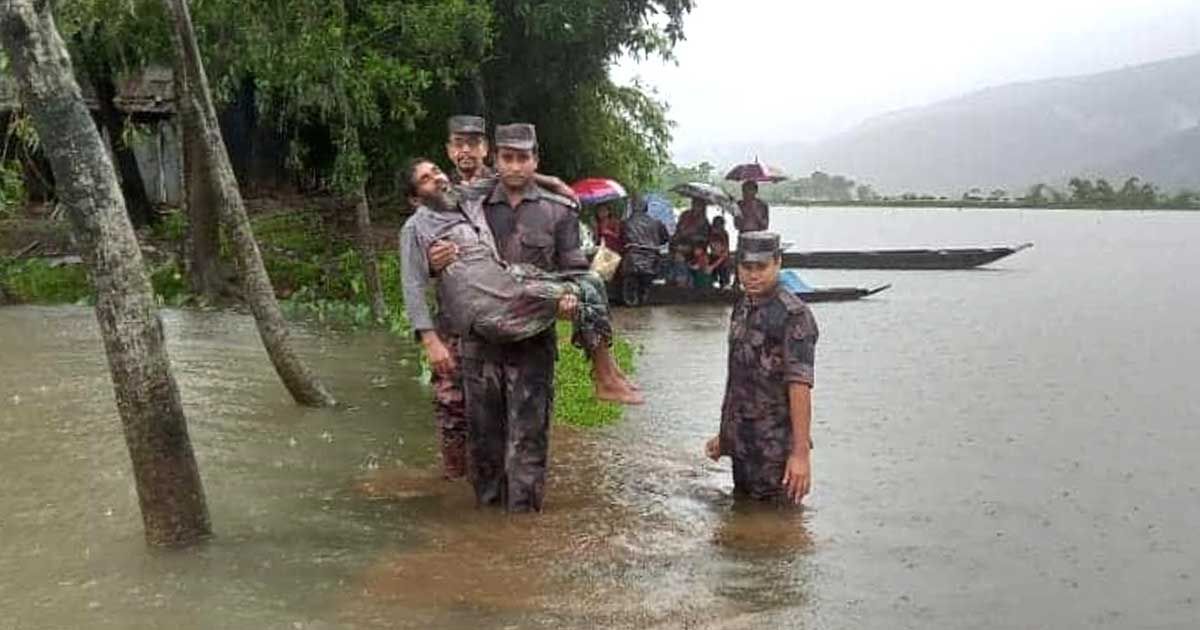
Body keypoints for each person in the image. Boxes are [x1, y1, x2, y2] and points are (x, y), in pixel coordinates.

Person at [427, 123, 618, 512]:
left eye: (523, 158)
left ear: (535, 160)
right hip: (480, 344)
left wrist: (569, 299)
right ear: (496, 161)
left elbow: (574, 270)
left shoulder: (558, 211)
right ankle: (489, 538)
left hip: (533, 345)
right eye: (507, 158)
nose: (515, 166)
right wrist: (434, 263)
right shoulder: (468, 206)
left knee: (528, 444)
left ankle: (523, 530)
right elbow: (432, 250)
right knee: (483, 445)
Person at [399, 158, 640, 407]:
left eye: (436, 171)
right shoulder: (415, 228)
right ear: (415, 199)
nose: (437, 178)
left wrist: (554, 182)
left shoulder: (463, 198)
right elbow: (412, 285)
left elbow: (503, 176)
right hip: (490, 305)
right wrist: (431, 342)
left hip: (510, 281)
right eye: (425, 179)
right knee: (583, 294)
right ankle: (605, 379)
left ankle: (609, 371)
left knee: (591, 281)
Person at [705, 231, 819, 504]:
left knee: (778, 531)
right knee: (742, 521)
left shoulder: (794, 316)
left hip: (775, 450)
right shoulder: (742, 306)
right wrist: (724, 435)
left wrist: (800, 455)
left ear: (778, 263)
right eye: (747, 267)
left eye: (761, 267)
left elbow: (800, 386)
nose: (753, 275)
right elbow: (737, 376)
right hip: (742, 443)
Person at [619, 195, 670, 303]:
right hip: (652, 258)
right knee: (645, 285)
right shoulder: (656, 223)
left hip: (632, 258)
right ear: (646, 207)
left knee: (630, 282)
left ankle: (633, 299)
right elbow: (665, 239)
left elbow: (621, 240)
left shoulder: (626, 223)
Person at [708, 216, 732, 289]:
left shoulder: (724, 234)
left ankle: (724, 284)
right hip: (714, 257)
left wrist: (713, 266)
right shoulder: (710, 234)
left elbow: (725, 253)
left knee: (724, 267)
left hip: (722, 259)